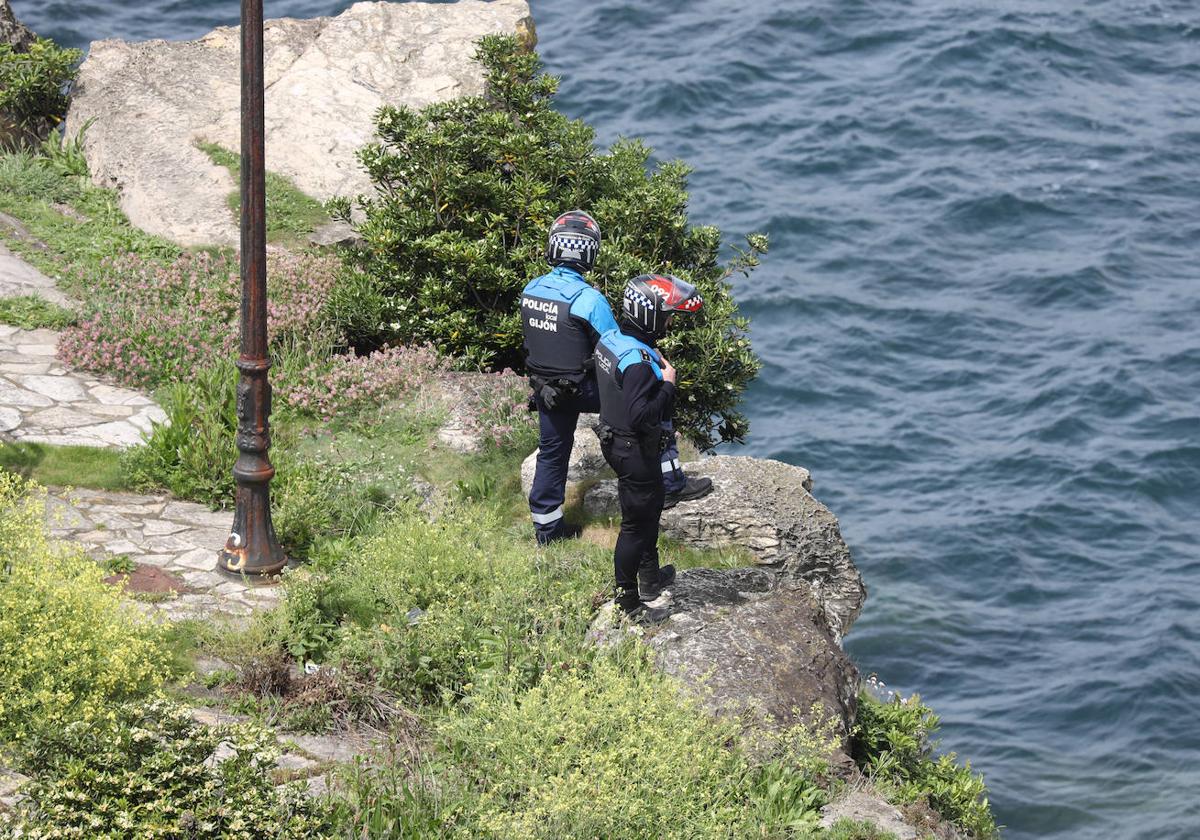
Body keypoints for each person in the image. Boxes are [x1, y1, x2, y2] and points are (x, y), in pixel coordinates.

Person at [521, 212, 712, 544]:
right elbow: (616, 350)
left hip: (547, 391)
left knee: (552, 452)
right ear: (588, 253)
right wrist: (659, 377)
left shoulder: (531, 289)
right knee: (655, 390)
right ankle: (669, 482)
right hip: (586, 390)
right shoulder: (588, 299)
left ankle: (547, 531)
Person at [593, 273, 705, 622]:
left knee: (649, 510)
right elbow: (644, 416)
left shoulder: (611, 339)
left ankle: (650, 579)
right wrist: (668, 385)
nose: (670, 321)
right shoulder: (641, 362)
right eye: (666, 314)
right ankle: (628, 602)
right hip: (634, 448)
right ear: (649, 315)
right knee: (635, 526)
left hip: (615, 440)